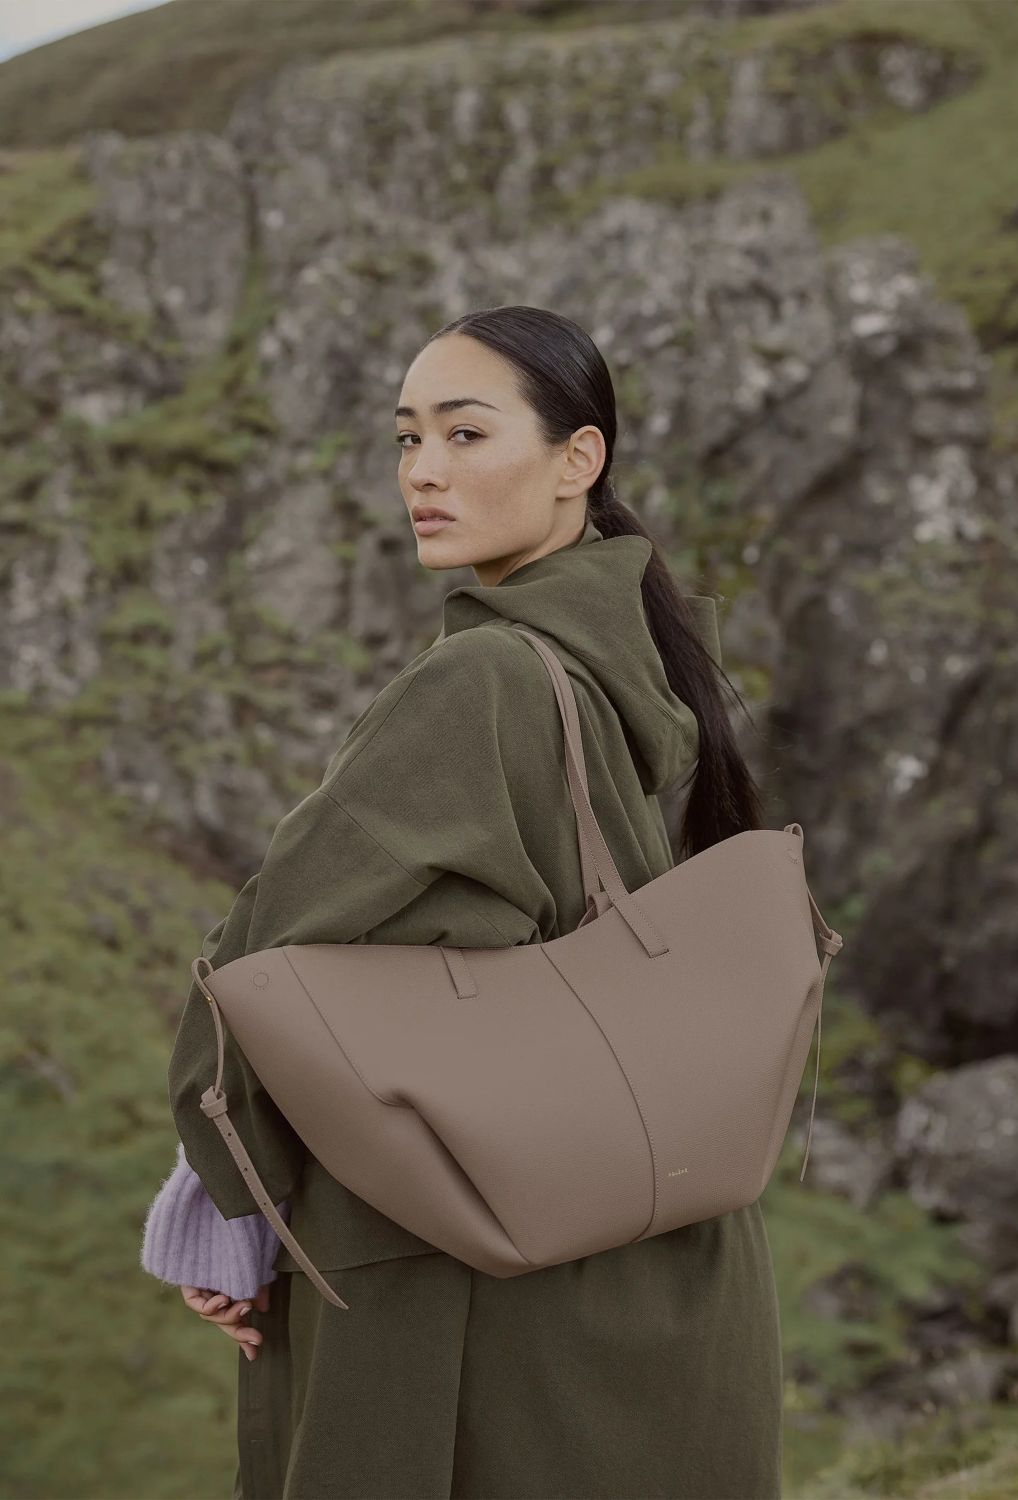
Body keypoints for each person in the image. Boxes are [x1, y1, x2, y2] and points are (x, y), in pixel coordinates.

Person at [141, 304, 782, 1499]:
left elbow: (270, 958)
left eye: (466, 433)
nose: (423, 472)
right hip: (663, 1286)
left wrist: (218, 1198)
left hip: (480, 1308)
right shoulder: (635, 665)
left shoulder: (480, 680)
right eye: (405, 439)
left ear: (575, 461)